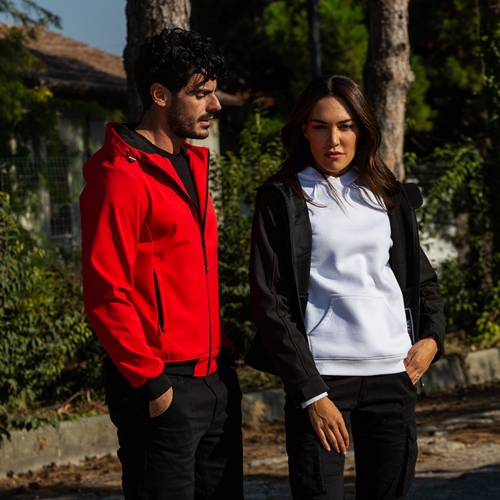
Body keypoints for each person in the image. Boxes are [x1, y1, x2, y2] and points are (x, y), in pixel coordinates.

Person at [245, 75, 446, 500]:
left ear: (362, 130)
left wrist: (432, 338)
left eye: (345, 126)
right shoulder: (282, 197)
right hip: (323, 380)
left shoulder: (387, 195)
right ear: (304, 129)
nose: (332, 140)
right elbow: (269, 300)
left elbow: (421, 278)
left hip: (392, 376)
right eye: (320, 126)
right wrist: (310, 392)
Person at [80, 28, 243, 500]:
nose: (214, 105)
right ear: (159, 95)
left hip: (214, 378)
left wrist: (222, 360)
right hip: (160, 384)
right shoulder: (119, 177)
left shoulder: (190, 164)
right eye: (201, 94)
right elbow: (105, 293)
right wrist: (152, 384)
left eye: (214, 93)